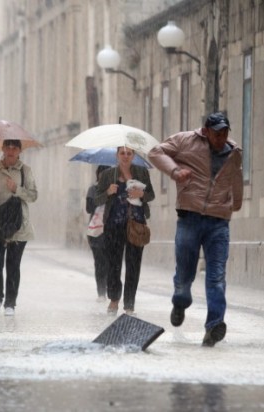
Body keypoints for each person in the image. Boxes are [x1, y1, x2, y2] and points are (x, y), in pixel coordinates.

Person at [148, 112, 243, 347]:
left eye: (225, 133)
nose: (221, 138)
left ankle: (214, 326)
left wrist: (236, 202)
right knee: (184, 272)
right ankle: (180, 302)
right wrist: (175, 172)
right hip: (189, 217)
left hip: (219, 222)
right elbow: (155, 152)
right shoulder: (185, 141)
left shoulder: (234, 152)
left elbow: (235, 176)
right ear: (206, 131)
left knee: (216, 276)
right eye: (217, 133)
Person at [0, 139, 38, 316]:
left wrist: (17, 189)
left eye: (15, 148)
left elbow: (33, 196)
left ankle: (10, 303)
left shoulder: (25, 170)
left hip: (18, 225)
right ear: (2, 148)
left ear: (20, 150)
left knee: (13, 265)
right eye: (8, 147)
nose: (11, 151)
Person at [95, 146, 155, 315]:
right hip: (113, 225)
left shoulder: (142, 173)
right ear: (117, 155)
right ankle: (114, 299)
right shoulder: (108, 175)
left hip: (136, 225)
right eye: (122, 153)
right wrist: (108, 191)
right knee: (113, 265)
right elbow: (96, 199)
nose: (126, 156)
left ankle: (129, 304)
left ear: (133, 155)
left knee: (134, 265)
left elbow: (151, 195)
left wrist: (141, 194)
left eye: (129, 153)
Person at [86, 165, 110, 301]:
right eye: (102, 173)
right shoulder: (93, 189)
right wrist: (103, 195)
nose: (103, 176)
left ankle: (110, 289)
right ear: (98, 174)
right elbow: (89, 208)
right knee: (99, 262)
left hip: (111, 231)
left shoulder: (115, 189)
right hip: (95, 231)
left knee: (111, 263)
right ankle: (101, 292)